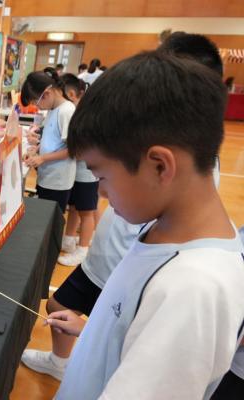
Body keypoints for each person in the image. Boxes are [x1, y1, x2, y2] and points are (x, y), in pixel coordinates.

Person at [22, 31, 233, 392]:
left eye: (103, 176)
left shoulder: (192, 292)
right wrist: (96, 334)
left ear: (159, 166)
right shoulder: (165, 229)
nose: (101, 192)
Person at [57, 74, 97, 267]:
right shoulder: (79, 112)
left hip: (87, 173)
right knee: (74, 208)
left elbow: (86, 148)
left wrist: (69, 151)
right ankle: (69, 239)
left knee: (86, 212)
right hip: (77, 172)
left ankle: (82, 250)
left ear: (72, 94)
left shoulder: (88, 115)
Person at [22, 70, 76, 212]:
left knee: (51, 218)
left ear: (46, 94)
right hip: (47, 177)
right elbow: (54, 139)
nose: (37, 107)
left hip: (58, 182)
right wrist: (38, 148)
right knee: (43, 215)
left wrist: (43, 158)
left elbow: (73, 150)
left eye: (36, 102)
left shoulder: (66, 111)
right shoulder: (53, 109)